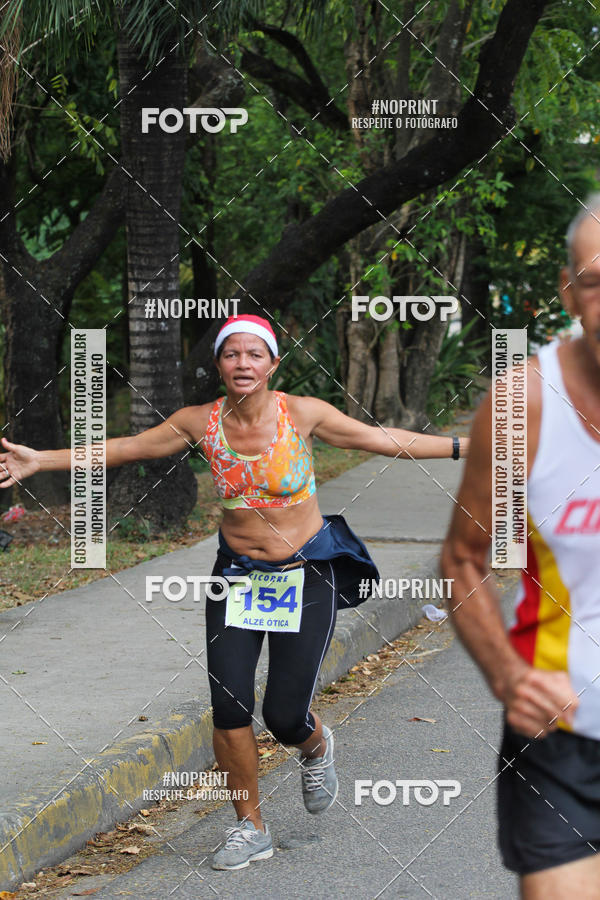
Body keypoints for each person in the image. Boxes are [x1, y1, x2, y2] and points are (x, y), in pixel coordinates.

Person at [1, 312, 468, 871]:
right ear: (219, 363)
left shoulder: (304, 413)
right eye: (232, 354)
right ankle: (250, 826)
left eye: (254, 355)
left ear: (273, 364)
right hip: (238, 576)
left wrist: (467, 446)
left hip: (306, 571)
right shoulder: (200, 421)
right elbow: (129, 447)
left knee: (285, 713)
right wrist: (41, 459)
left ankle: (315, 746)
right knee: (229, 707)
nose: (243, 364)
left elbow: (381, 439)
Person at [441, 197, 600, 898]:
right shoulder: (522, 406)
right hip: (563, 737)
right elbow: (462, 559)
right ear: (569, 291)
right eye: (598, 282)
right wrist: (508, 677)